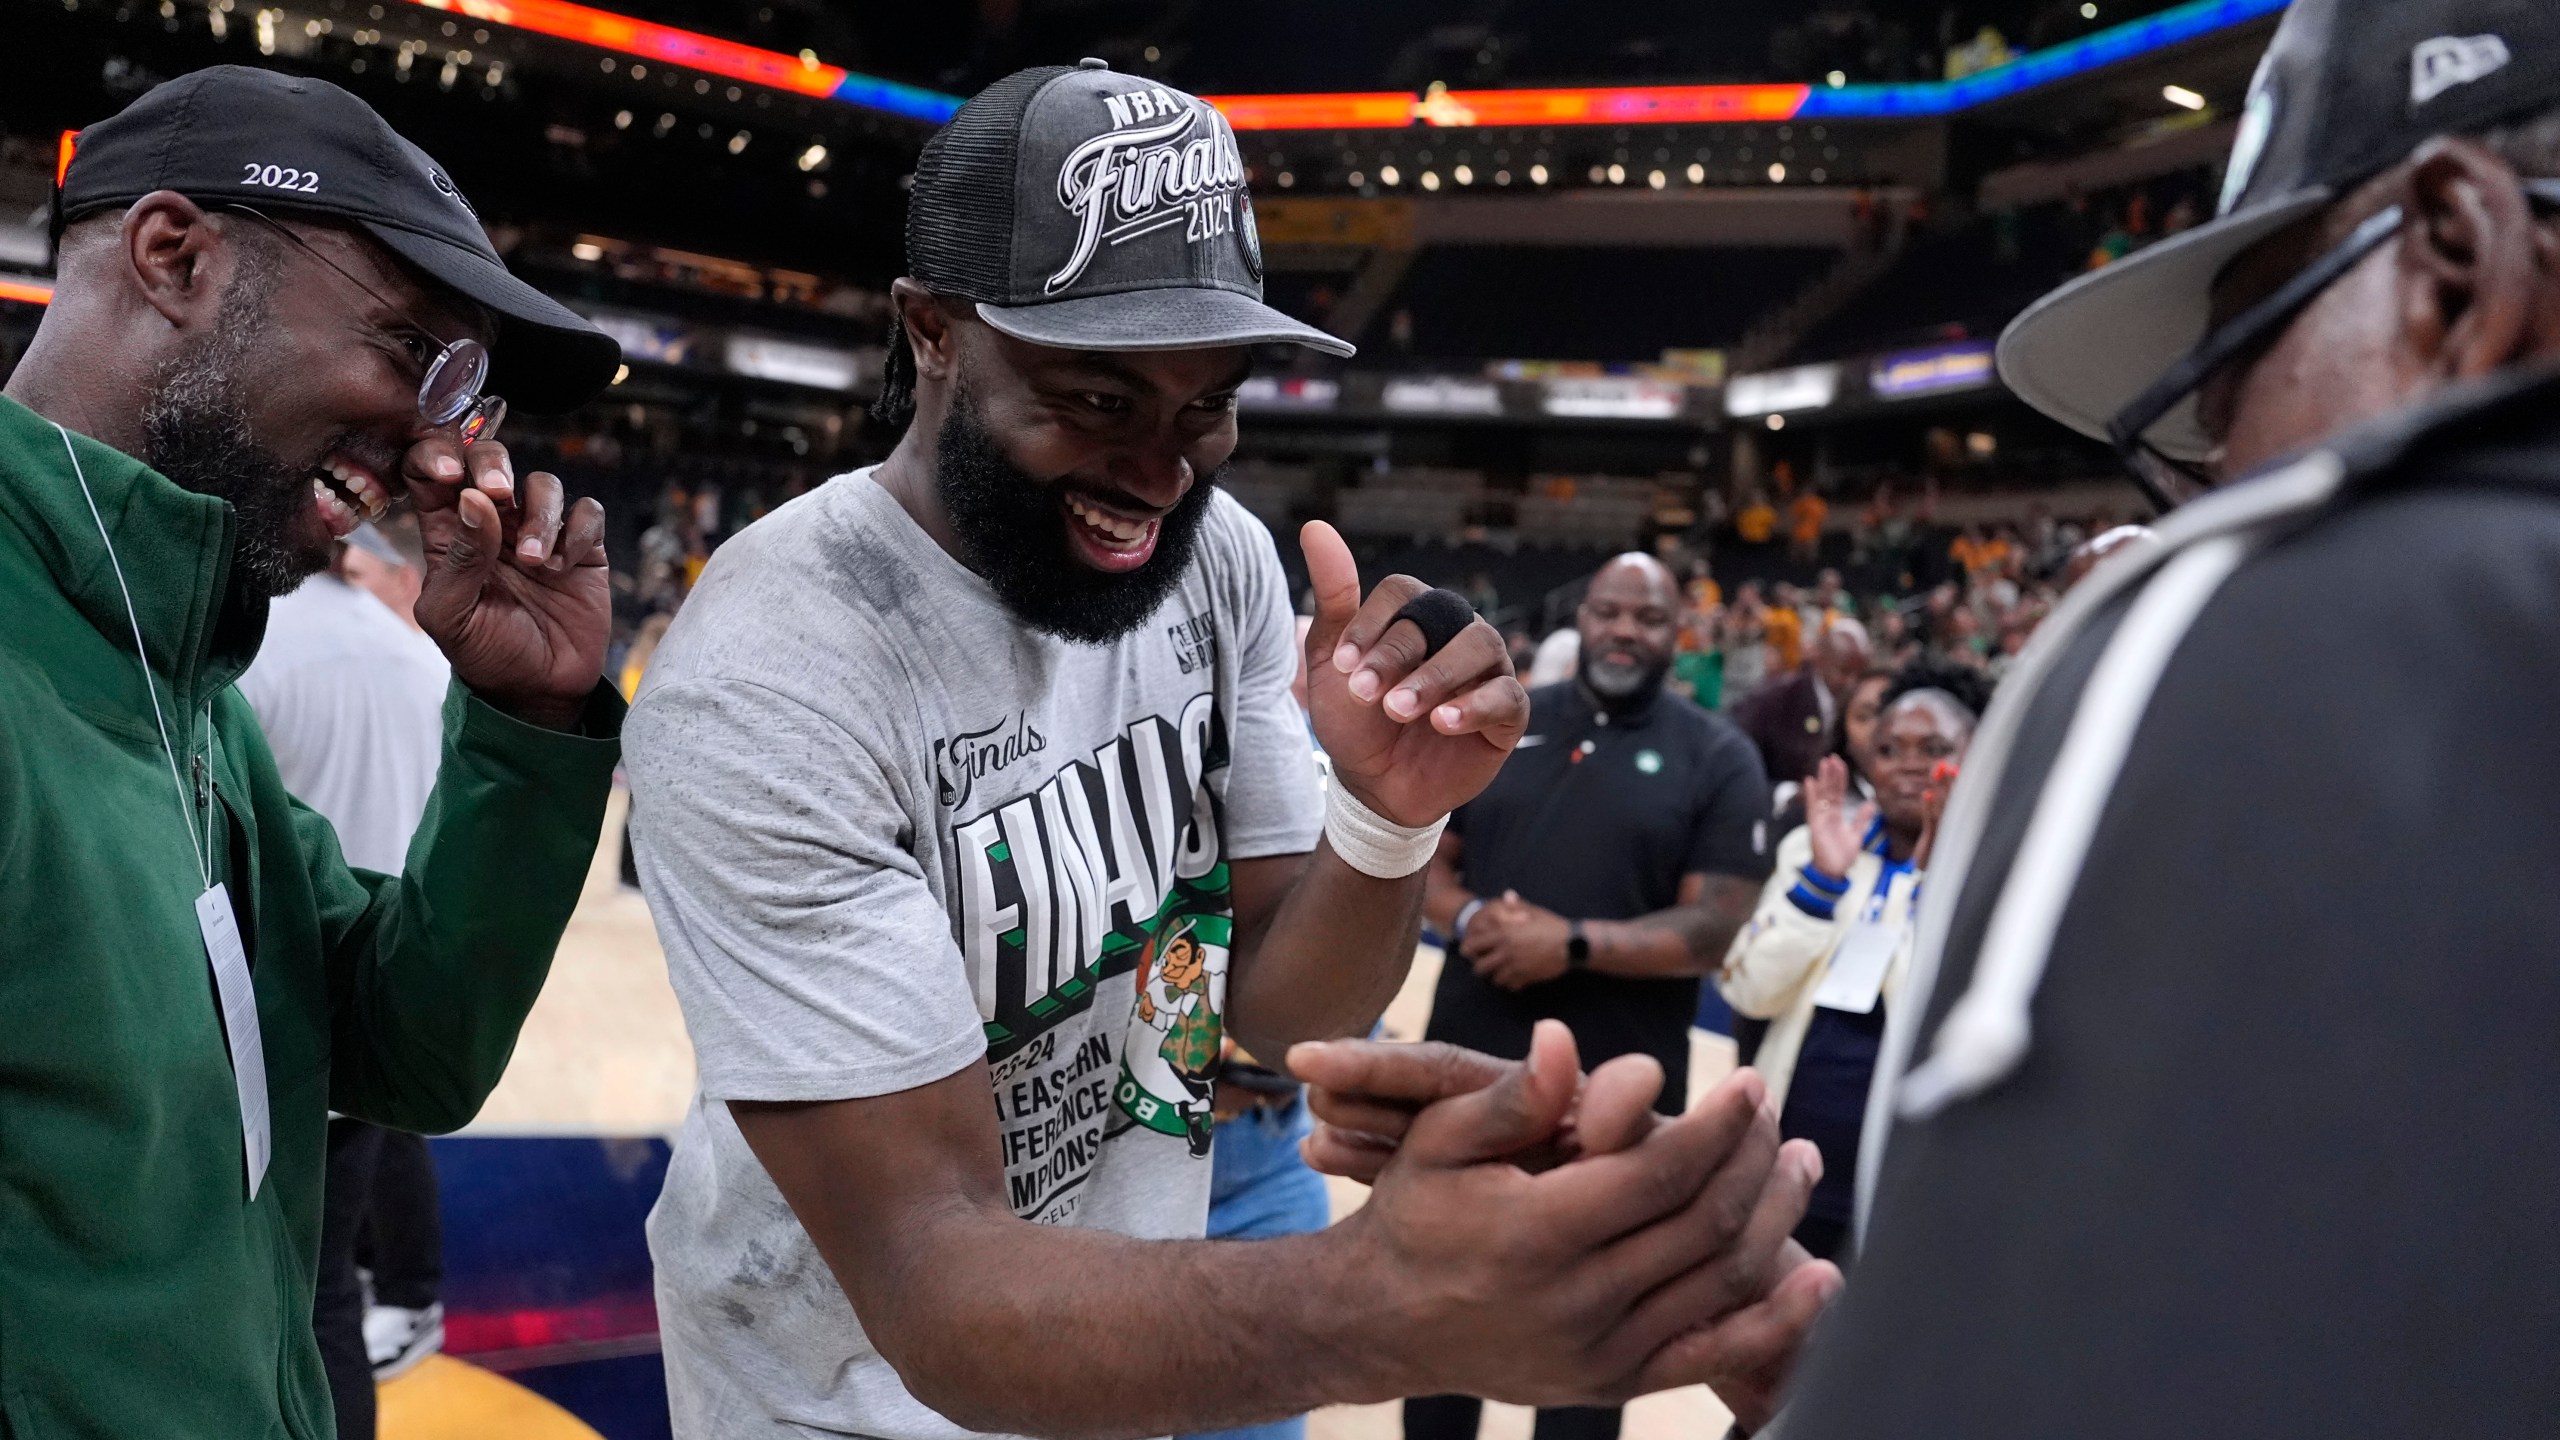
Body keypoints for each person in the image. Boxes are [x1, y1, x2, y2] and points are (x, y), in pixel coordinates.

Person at [1296, 2, 2560, 1434]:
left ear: (2461, 263)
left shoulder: (2303, 617)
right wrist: (1791, 1337)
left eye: (2241, 375)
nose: (2218, 481)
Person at [624, 62, 1818, 1440]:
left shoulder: (1221, 564)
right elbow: (933, 1284)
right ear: (935, 330)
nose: (1162, 474)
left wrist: (1385, 817)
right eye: (1101, 401)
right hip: (848, 1398)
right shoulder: (771, 671)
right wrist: (1383, 1305)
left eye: (1207, 405)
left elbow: (1278, 1014)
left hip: (1124, 1342)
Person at [0, 67, 624, 1436]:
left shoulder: (184, 677)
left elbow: (409, 1051)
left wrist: (525, 732)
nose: (440, 449)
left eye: (470, 393)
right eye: (412, 352)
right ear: (175, 257)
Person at [1409, 552, 1773, 1440]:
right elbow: (1429, 862)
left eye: (1647, 618)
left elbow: (1712, 930)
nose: (1623, 630)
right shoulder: (1509, 724)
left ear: (1678, 634)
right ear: (1588, 615)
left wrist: (1565, 946)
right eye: (1609, 611)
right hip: (1471, 1072)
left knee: (1586, 1348)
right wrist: (1471, 922)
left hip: (1618, 1096)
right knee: (1442, 1327)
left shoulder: (1718, 756)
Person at [237, 515, 455, 1436]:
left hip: (267, 1014)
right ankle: (409, 1298)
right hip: (381, 979)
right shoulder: (421, 660)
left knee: (255, 1291)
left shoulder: (244, 654)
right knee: (326, 1293)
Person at [1716, 687, 1973, 1265]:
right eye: (1888, 748)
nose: (1908, 763)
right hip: (1793, 1151)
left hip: (1914, 1166)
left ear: (1973, 753)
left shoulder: (1995, 858)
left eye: (1932, 747)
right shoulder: (1817, 844)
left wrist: (1940, 875)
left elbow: (1945, 1012)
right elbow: (1748, 990)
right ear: (1866, 763)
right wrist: (1822, 883)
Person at [1731, 619, 1872, 788]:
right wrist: (1787, 794)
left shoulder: (1864, 703)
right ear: (1820, 661)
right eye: (1844, 671)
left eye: (1860, 674)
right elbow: (1737, 757)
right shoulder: (1775, 700)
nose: (1852, 683)